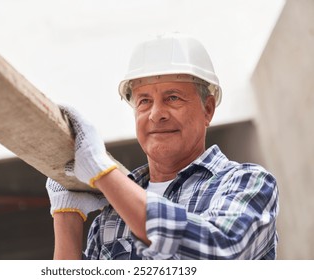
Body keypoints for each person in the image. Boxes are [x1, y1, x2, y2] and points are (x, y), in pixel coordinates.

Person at [45, 34, 279, 260]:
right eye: (144, 101)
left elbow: (218, 253)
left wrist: (102, 173)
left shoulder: (248, 183)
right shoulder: (112, 216)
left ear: (207, 109)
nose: (156, 115)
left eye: (173, 98)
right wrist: (67, 214)